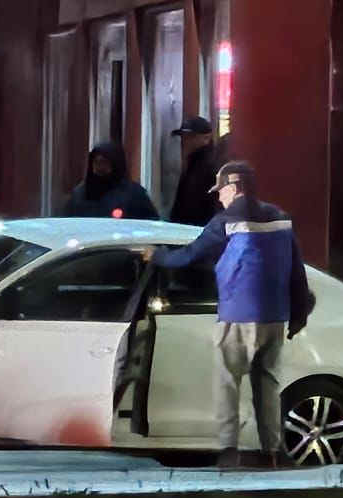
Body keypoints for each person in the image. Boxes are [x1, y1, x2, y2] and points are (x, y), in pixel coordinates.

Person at [151, 161, 311, 467]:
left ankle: (228, 452)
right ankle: (272, 453)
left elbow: (189, 256)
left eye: (221, 191)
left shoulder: (225, 221)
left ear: (233, 188)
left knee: (228, 386)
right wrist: (299, 314)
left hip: (237, 315)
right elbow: (296, 271)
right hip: (274, 317)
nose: (219, 197)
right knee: (268, 387)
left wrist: (156, 256)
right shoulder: (281, 219)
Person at [63, 142, 160, 221]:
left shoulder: (134, 194)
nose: (99, 167)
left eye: (104, 162)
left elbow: (150, 224)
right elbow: (67, 223)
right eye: (96, 162)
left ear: (115, 164)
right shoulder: (80, 194)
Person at [168, 116, 228, 227]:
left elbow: (196, 204)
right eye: (183, 137)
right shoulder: (194, 162)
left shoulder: (207, 166)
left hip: (197, 230)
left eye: (190, 137)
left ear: (206, 138)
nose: (185, 141)